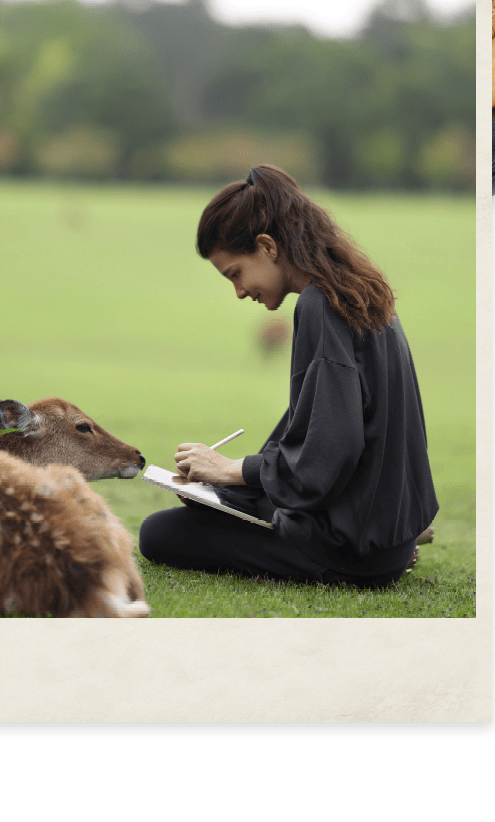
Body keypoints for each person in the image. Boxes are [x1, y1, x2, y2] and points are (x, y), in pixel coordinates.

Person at [138, 164, 438, 590]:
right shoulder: (361, 291)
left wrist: (232, 470)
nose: (239, 292)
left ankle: (388, 548)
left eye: (235, 274)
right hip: (381, 530)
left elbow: (329, 453)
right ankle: (402, 542)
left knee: (159, 533)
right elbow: (337, 433)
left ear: (267, 246)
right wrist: (227, 479)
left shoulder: (318, 305)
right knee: (213, 503)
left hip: (346, 550)